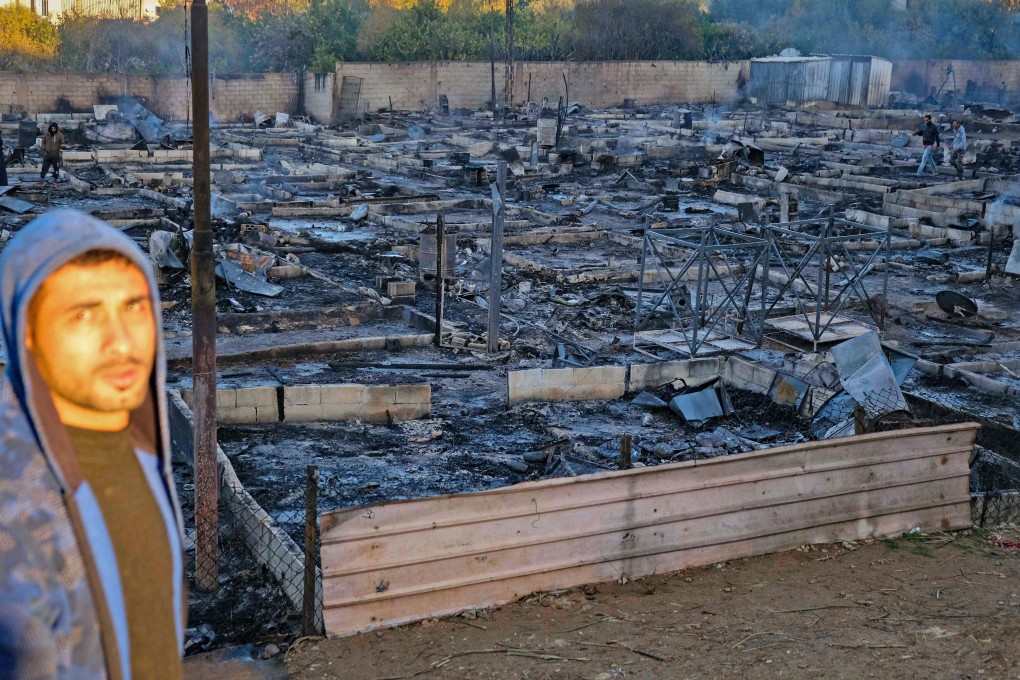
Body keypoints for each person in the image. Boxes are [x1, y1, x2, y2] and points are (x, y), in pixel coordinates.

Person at [0, 210, 185, 679]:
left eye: (134, 307)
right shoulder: (14, 510)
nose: (120, 342)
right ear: (27, 333)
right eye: (83, 315)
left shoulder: (146, 455)